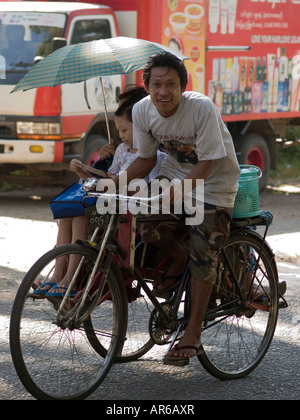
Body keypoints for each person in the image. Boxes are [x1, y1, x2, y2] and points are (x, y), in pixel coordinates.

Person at [108, 52, 241, 365]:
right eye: (157, 84)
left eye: (170, 84)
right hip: (173, 177)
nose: (163, 91)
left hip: (214, 184)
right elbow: (147, 158)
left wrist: (181, 189)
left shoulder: (201, 108)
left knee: (203, 254)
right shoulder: (142, 110)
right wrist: (116, 182)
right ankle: (177, 256)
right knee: (144, 225)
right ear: (148, 86)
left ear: (183, 86)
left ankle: (192, 332)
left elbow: (208, 162)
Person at [35, 86, 165, 297]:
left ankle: (71, 279)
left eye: (124, 130)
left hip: (129, 210)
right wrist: (86, 170)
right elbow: (108, 179)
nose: (120, 135)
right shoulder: (122, 150)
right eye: (119, 130)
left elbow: (142, 188)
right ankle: (57, 275)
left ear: (141, 124)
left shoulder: (155, 155)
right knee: (68, 215)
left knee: (80, 218)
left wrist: (110, 182)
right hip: (111, 202)